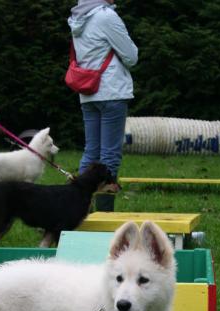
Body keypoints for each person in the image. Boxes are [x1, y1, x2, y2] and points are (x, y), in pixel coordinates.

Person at [68, 0, 138, 190]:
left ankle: (78, 209)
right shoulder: (106, 16)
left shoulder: (77, 17)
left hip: (88, 92)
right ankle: (105, 213)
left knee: (91, 152)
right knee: (110, 155)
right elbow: (131, 57)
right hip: (111, 91)